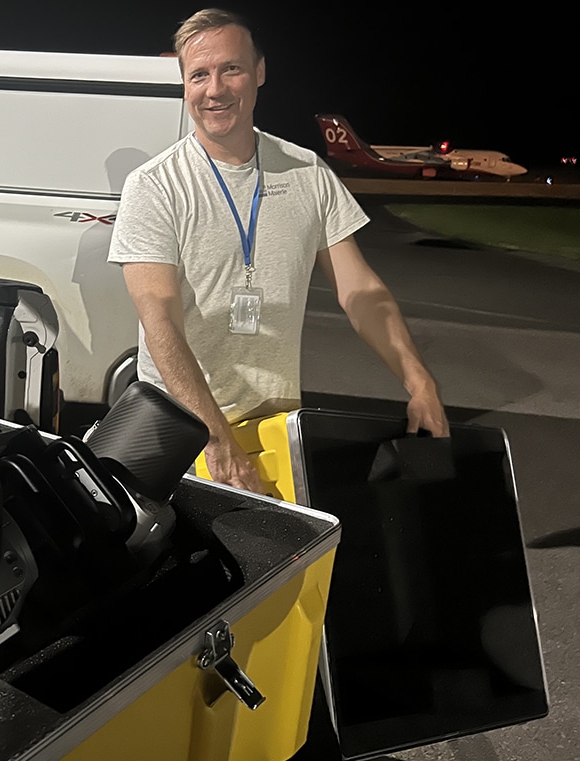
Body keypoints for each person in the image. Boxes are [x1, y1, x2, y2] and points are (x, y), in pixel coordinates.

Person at [108, 7, 449, 495]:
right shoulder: (155, 186)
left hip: (274, 428)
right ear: (184, 83)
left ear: (259, 72)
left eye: (231, 68)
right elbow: (160, 321)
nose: (215, 89)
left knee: (282, 567)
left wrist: (420, 382)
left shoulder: (307, 173)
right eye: (199, 74)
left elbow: (362, 292)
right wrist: (216, 439)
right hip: (180, 433)